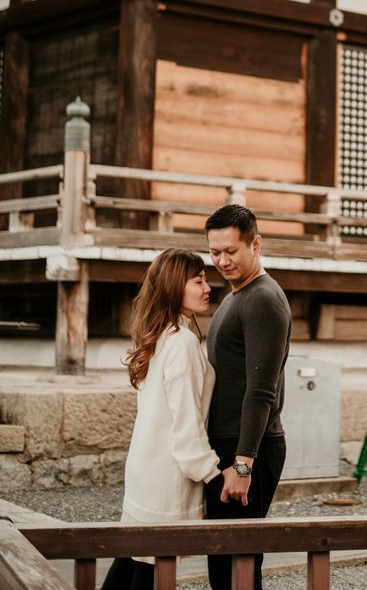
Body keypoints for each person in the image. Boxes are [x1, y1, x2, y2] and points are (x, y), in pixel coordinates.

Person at [102, 248, 226, 590]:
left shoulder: (158, 335)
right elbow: (186, 422)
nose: (207, 287)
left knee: (130, 561)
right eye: (198, 280)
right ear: (174, 286)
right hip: (168, 474)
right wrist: (214, 474)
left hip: (145, 467)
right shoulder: (182, 342)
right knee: (150, 570)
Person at [204, 204, 292, 590]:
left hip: (248, 447)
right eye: (214, 252)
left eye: (231, 251)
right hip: (228, 443)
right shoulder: (235, 295)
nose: (222, 261)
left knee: (235, 570)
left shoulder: (263, 298)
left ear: (255, 244)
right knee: (225, 565)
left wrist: (243, 466)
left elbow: (261, 390)